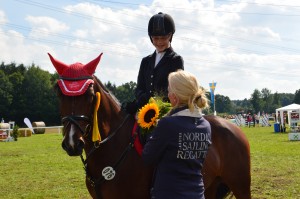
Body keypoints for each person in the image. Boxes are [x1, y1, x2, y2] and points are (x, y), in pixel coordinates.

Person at [142, 70, 212, 199]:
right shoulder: (206, 125)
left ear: (174, 97)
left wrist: (151, 132)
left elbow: (147, 157)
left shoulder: (168, 124)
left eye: (169, 91)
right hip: (197, 194)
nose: (168, 95)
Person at [125, 12, 184, 114]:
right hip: (145, 109)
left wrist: (155, 102)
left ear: (170, 36)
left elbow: (175, 89)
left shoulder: (176, 60)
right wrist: (142, 99)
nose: (159, 42)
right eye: (156, 38)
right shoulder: (146, 61)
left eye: (163, 38)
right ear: (150, 37)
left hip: (166, 110)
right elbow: (140, 87)